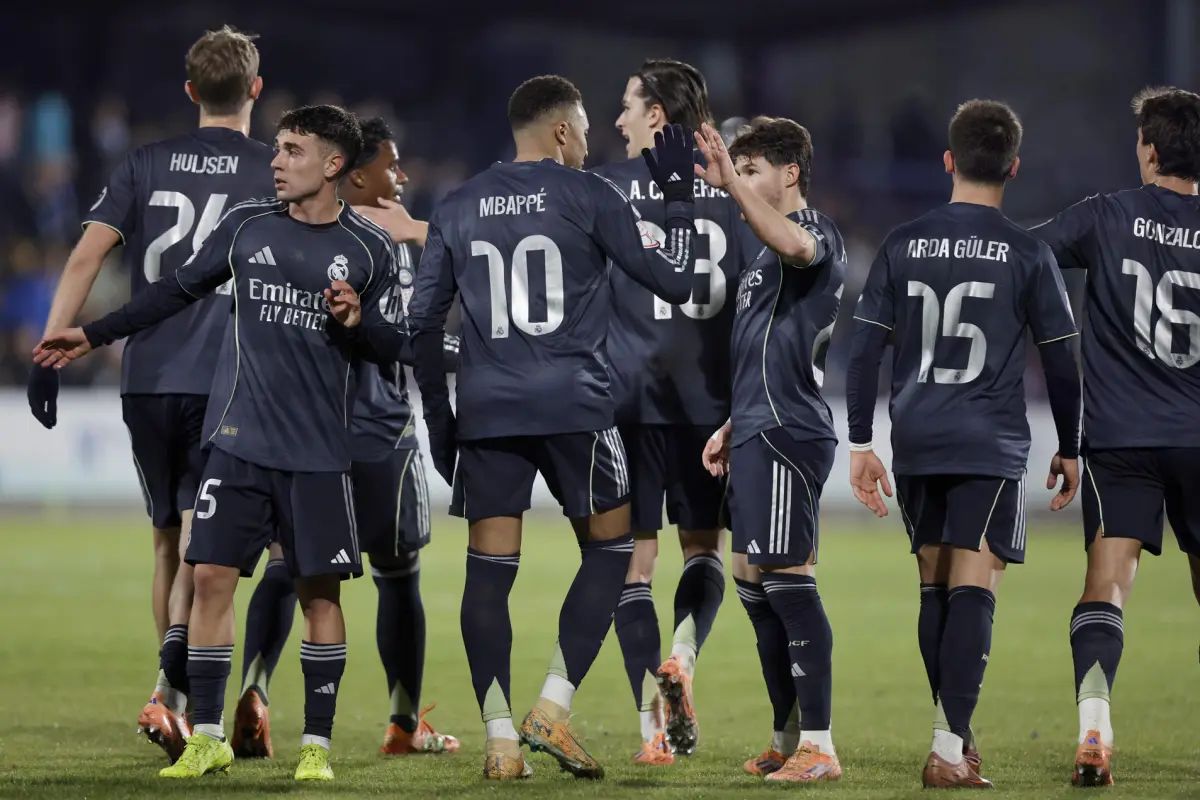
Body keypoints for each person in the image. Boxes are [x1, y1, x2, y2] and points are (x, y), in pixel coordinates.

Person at [35, 105, 404, 783]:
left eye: (292, 150)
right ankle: (207, 736)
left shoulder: (371, 248)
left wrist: (358, 322)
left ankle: (315, 748)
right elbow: (172, 291)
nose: (276, 161)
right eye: (278, 147)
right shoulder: (246, 225)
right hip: (238, 440)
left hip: (319, 452)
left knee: (321, 596)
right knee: (209, 579)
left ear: (332, 164)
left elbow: (395, 344)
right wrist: (91, 334)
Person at [405, 75, 697, 781]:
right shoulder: (590, 194)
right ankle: (553, 708)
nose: (591, 142)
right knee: (612, 550)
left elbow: (421, 328)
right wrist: (680, 200)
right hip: (575, 405)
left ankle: (500, 741)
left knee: (488, 573)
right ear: (562, 130)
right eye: (586, 129)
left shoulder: (458, 203)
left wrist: (442, 427)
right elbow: (677, 280)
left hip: (489, 411)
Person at [25, 25, 273, 763]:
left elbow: (84, 256)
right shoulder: (273, 169)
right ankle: (178, 694)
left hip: (147, 379)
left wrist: (50, 346)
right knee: (208, 544)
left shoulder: (144, 162)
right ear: (255, 90)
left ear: (191, 91)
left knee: (167, 538)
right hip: (226, 378)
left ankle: (172, 701)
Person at [845, 99, 1082, 789]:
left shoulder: (902, 243)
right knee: (976, 586)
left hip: (918, 435)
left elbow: (864, 352)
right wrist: (1070, 445)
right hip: (988, 438)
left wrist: (859, 442)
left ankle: (957, 737)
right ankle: (947, 751)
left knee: (936, 587)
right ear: (1013, 167)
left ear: (948, 160)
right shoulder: (1029, 252)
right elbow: (1061, 361)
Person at [229, 116, 459, 760]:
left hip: (300, 431)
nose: (401, 175)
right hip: (379, 432)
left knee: (287, 568)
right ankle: (403, 723)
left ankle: (254, 691)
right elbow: (413, 338)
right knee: (398, 575)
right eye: (391, 165)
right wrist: (469, 354)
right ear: (354, 174)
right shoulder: (389, 243)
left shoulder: (286, 231)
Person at [1031, 86, 1200, 787]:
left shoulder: (1105, 215)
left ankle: (1094, 728)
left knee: (1106, 585)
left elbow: (1025, 255)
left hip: (1120, 435)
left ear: (1150, 151)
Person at [593, 58, 740, 764]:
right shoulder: (734, 192)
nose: (619, 119)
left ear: (656, 113)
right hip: (709, 403)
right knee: (703, 551)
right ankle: (682, 655)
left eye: (628, 105)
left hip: (627, 399)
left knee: (634, 564)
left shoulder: (606, 189)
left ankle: (651, 730)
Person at [696, 117, 847, 784]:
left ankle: (820, 747)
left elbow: (796, 244)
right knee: (754, 586)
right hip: (759, 426)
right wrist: (734, 422)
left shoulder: (813, 231)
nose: (741, 181)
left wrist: (730, 184)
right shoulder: (762, 258)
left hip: (789, 430)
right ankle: (787, 739)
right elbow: (766, 349)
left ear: (790, 174)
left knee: (789, 583)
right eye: (740, 170)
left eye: (752, 170)